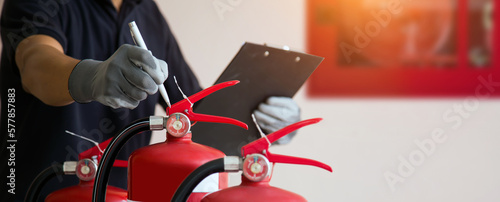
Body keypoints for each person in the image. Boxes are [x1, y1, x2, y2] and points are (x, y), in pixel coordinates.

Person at [0, 0, 300, 201]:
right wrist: (90, 77)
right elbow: (34, 63)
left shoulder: (147, 13)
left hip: (125, 196)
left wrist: (256, 121)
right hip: (37, 190)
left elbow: (192, 111)